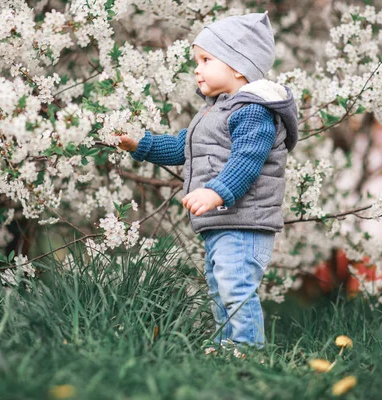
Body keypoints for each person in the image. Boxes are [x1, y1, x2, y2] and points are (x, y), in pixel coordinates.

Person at [116, 11, 298, 350]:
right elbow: (184, 147)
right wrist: (142, 144)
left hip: (244, 222)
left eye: (205, 59)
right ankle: (227, 345)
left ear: (238, 66)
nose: (196, 68)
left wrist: (217, 191)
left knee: (234, 285)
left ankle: (247, 350)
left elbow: (247, 159)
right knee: (220, 287)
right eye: (196, 61)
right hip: (222, 221)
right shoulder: (215, 111)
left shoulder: (252, 111)